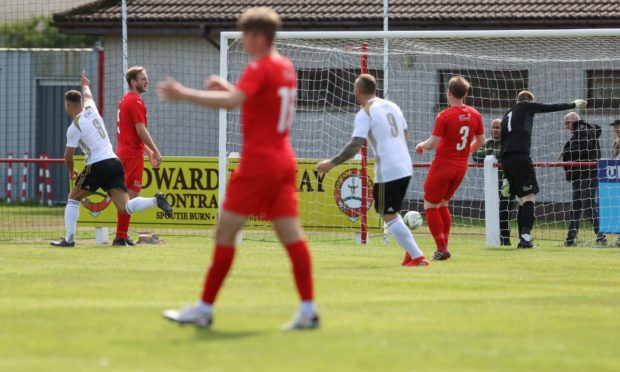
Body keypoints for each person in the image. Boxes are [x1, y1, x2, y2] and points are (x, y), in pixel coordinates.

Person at [156, 7, 319, 330]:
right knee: (291, 236)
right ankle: (308, 309)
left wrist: (184, 93)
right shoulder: (285, 66)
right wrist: (230, 88)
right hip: (283, 160)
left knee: (225, 232)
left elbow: (234, 103)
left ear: (259, 37)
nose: (243, 40)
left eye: (245, 34)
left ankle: (203, 309)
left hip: (258, 162)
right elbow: (254, 100)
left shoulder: (260, 67)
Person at [316, 74, 429, 267]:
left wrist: (331, 163)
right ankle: (410, 253)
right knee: (391, 212)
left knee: (387, 214)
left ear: (357, 91)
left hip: (389, 170)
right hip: (404, 165)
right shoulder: (392, 106)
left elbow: (356, 144)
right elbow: (406, 134)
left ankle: (418, 256)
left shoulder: (365, 113)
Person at [51, 72, 173, 247]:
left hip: (97, 164)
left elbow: (67, 156)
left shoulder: (74, 126)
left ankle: (69, 240)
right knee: (125, 207)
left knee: (72, 198)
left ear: (68, 105)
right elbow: (88, 95)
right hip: (114, 163)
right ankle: (155, 200)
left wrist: (71, 170)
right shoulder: (91, 109)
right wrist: (85, 83)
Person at [500, 90, 587, 249]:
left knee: (520, 199)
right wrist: (572, 105)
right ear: (529, 102)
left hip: (506, 159)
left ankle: (522, 238)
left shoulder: (507, 115)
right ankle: (525, 239)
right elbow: (549, 107)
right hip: (520, 157)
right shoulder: (526, 106)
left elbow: (503, 140)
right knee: (529, 198)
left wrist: (506, 173)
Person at [416, 76, 486, 260]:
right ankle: (443, 247)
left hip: (443, 165)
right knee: (443, 204)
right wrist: (463, 152)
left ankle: (441, 248)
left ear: (448, 93)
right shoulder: (475, 114)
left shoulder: (444, 115)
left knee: (430, 206)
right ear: (466, 94)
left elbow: (432, 143)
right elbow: (481, 141)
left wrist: (420, 145)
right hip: (461, 167)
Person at [114, 66, 163, 246]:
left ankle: (121, 235)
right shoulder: (135, 101)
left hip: (123, 153)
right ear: (133, 82)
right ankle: (120, 236)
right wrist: (156, 150)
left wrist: (149, 152)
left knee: (125, 198)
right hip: (132, 156)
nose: (146, 81)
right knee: (131, 200)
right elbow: (140, 130)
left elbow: (133, 134)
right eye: (143, 78)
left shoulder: (124, 100)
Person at [561, 112, 606, 246]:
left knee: (588, 206)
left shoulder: (585, 131)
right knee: (575, 207)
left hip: (588, 175)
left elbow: (580, 150)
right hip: (578, 175)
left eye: (567, 123)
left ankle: (601, 235)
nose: (566, 127)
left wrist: (566, 152)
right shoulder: (581, 134)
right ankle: (570, 239)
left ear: (575, 121)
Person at [472, 118, 515, 246]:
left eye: (498, 127)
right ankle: (494, 239)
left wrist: (489, 154)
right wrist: (491, 154)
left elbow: (502, 154)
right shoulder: (486, 142)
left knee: (504, 212)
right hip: (491, 183)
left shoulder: (509, 142)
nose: (496, 130)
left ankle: (505, 240)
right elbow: (475, 155)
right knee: (493, 212)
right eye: (494, 127)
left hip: (507, 181)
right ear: (490, 129)